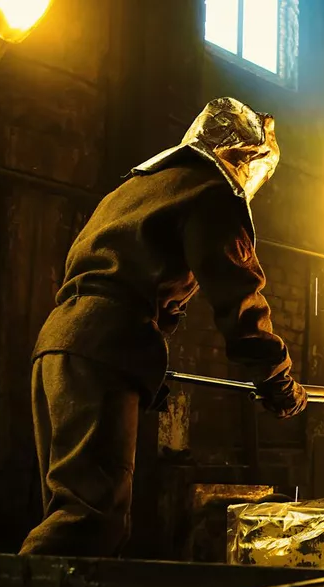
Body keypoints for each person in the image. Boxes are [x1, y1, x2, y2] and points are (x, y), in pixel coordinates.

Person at [19, 97, 307, 557]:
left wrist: (145, 364)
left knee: (72, 508)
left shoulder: (137, 188)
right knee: (88, 522)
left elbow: (133, 278)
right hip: (104, 347)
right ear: (243, 157)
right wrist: (277, 379)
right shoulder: (211, 192)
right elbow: (237, 294)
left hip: (60, 344)